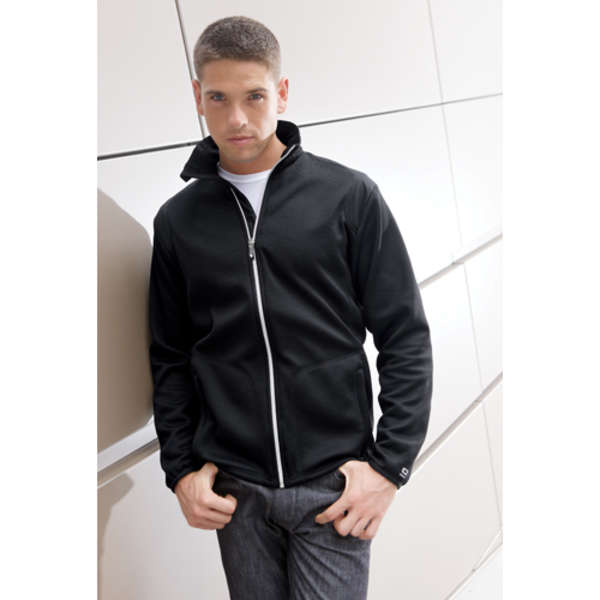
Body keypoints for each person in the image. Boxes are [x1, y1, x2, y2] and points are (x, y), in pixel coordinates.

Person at [148, 15, 433, 600]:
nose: (236, 118)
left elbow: (404, 335)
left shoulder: (347, 196)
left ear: (281, 92)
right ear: (198, 98)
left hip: (334, 485)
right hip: (236, 492)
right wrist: (180, 470)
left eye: (254, 96)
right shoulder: (178, 221)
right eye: (218, 98)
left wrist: (389, 467)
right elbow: (171, 356)